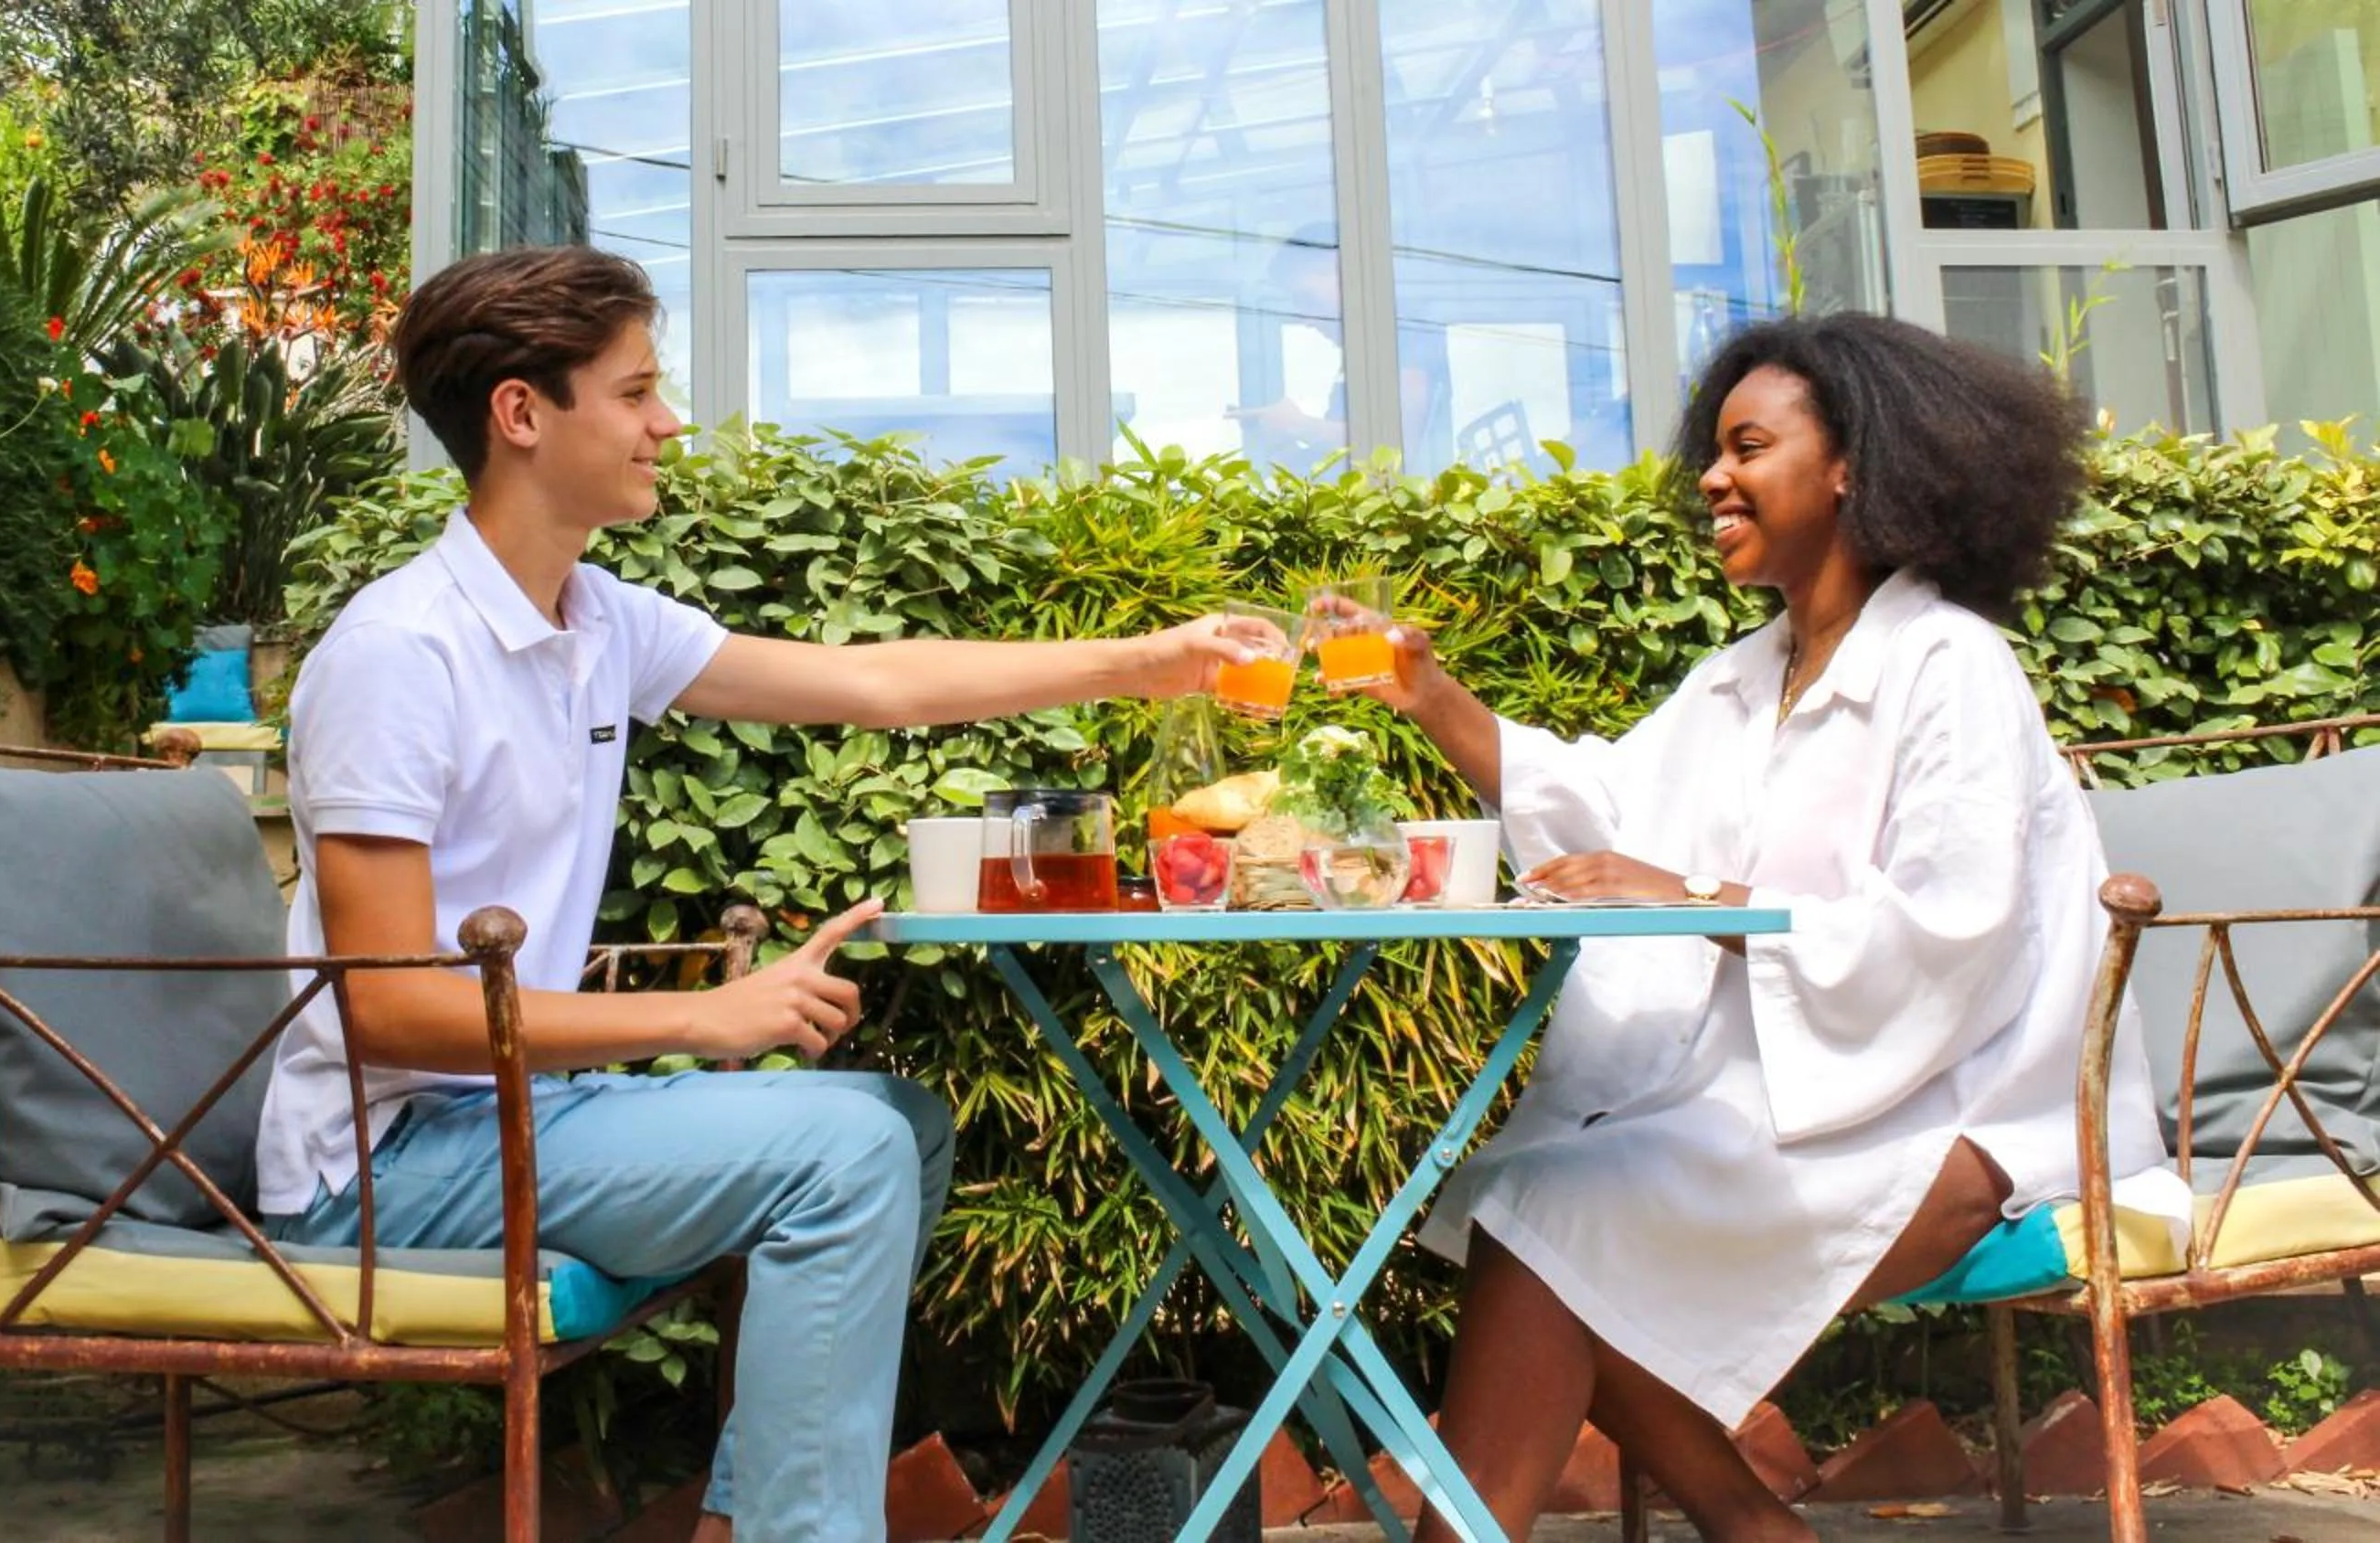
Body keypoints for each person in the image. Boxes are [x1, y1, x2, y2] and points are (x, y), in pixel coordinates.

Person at [260, 244, 1249, 1543]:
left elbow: (873, 684)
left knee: (899, 1123)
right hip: (383, 1164)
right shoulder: (399, 654)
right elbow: (389, 1013)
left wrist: (1150, 661)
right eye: (634, 393)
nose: (667, 422)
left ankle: (747, 1522)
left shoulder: (595, 622)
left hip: (514, 1119)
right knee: (844, 1155)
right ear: (521, 414)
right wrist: (703, 1017)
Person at [1357, 314, 2192, 1542]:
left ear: (1852, 465)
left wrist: (1692, 899)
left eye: (1749, 447)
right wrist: (1427, 693)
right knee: (1533, 1202)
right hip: (1792, 1107)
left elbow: (1949, 927)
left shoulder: (1949, 664)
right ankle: (1750, 1527)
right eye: (1716, 449)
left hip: (1964, 1120)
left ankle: (1744, 1526)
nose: (1712, 476)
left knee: (1547, 1219)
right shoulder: (1748, 676)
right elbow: (1603, 814)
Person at [1224, 223, 1447, 473]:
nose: (1307, 319)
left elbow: (1395, 444)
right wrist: (1282, 444)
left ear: (1346, 273)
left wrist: (1300, 425)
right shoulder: (1361, 357)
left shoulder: (1406, 337)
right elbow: (1343, 463)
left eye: (1309, 299)